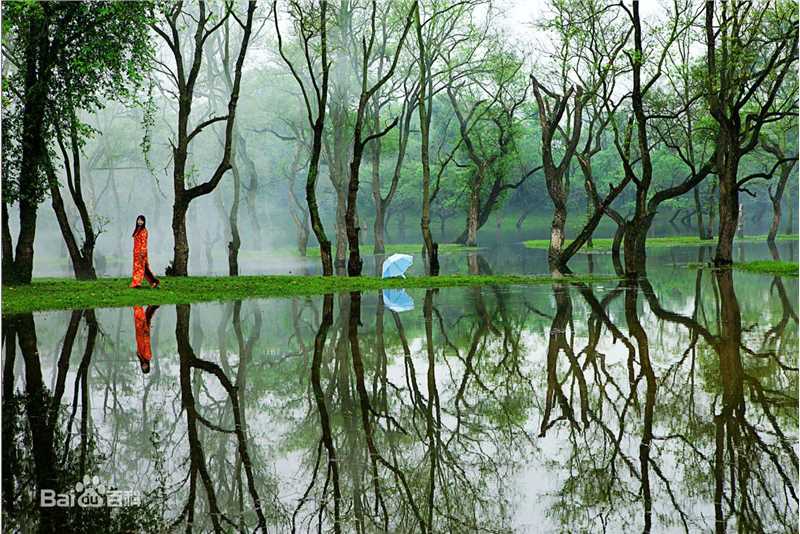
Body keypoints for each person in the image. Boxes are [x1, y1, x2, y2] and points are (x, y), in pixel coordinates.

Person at [130, 214, 160, 288]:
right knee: (145, 269)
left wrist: (142, 253)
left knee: (139, 268)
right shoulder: (137, 230)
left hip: (141, 253)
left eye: (141, 220)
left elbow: (144, 243)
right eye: (139, 220)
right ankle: (154, 282)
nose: (140, 222)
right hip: (136, 253)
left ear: (144, 222)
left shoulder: (144, 231)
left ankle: (136, 283)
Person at [134, 305, 160, 374]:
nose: (144, 366)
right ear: (148, 366)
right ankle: (138, 305)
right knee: (141, 318)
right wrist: (145, 333)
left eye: (143, 368)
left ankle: (153, 306)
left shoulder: (141, 358)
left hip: (139, 335)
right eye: (146, 368)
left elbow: (139, 346)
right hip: (143, 333)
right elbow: (147, 343)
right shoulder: (148, 356)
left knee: (147, 317)